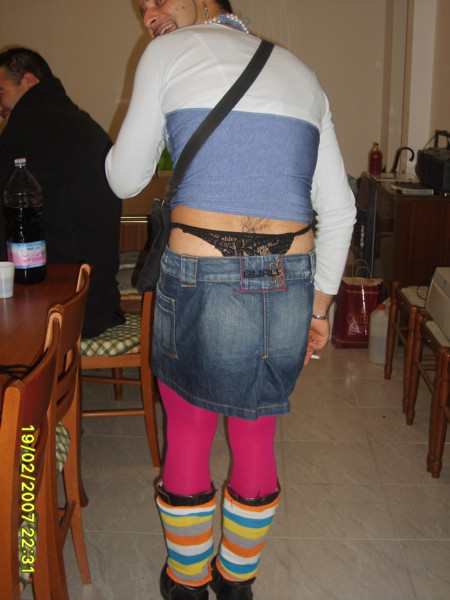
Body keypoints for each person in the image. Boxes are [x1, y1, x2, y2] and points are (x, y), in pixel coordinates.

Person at [106, 1, 356, 598]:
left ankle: (187, 582)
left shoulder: (166, 53)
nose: (150, 14)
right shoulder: (302, 74)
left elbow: (124, 179)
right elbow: (341, 209)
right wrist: (320, 308)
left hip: (202, 272)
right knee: (255, 434)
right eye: (142, 7)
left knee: (190, 430)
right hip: (291, 278)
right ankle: (237, 580)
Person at [0, 47, 124, 338]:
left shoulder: (23, 132)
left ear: (29, 82)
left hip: (53, 313)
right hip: (97, 301)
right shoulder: (85, 126)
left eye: (1, 92)